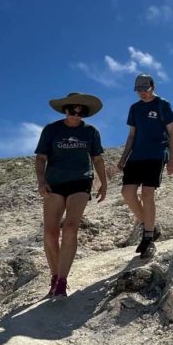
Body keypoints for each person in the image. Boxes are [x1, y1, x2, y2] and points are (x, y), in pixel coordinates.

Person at [35, 92, 108, 298]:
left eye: (80, 111)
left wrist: (104, 183)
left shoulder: (91, 132)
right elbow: (41, 158)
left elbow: (97, 159)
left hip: (80, 182)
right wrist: (41, 181)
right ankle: (54, 275)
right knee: (50, 233)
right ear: (64, 110)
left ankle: (62, 280)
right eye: (72, 110)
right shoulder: (51, 130)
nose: (76, 114)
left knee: (69, 228)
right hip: (54, 183)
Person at [117, 74, 173, 258]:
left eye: (145, 89)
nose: (142, 93)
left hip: (156, 153)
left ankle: (148, 238)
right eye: (139, 90)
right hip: (137, 155)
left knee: (147, 194)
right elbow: (132, 135)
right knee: (127, 192)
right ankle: (149, 225)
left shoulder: (162, 104)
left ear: (153, 87)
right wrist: (123, 157)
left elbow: (171, 133)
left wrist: (172, 158)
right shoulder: (134, 108)